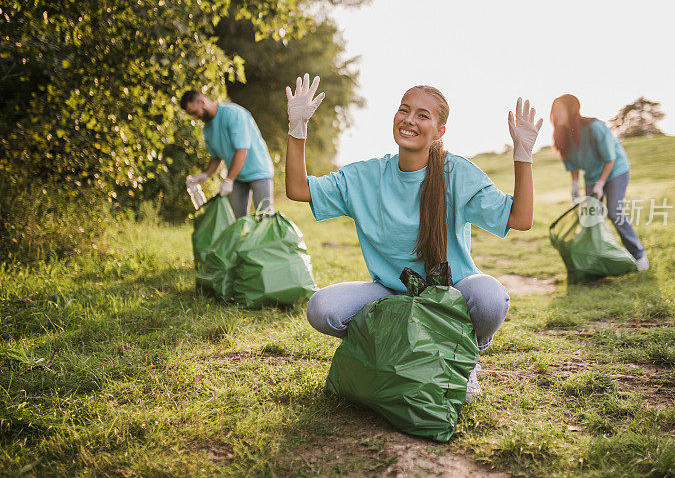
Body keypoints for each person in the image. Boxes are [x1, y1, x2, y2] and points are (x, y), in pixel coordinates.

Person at [284, 73, 543, 400]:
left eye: (423, 115)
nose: (409, 120)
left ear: (439, 132)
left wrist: (523, 154)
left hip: (451, 293)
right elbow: (297, 189)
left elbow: (520, 219)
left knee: (491, 297)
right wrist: (297, 129)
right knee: (322, 307)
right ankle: (392, 351)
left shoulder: (456, 173)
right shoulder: (367, 176)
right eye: (403, 110)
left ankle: (463, 358)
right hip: (392, 294)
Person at [550, 94, 649, 271]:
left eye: (560, 109)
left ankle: (639, 255)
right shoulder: (562, 136)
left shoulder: (594, 127)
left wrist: (601, 183)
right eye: (554, 110)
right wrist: (574, 184)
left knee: (614, 211)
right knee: (591, 217)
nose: (555, 114)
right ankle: (597, 259)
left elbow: (610, 158)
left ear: (572, 110)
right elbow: (572, 163)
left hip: (615, 170)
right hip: (592, 176)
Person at [181, 90, 274, 218]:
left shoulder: (233, 114)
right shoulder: (207, 129)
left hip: (258, 172)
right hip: (237, 177)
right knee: (237, 220)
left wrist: (229, 180)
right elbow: (216, 157)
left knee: (265, 217)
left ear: (202, 102)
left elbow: (242, 150)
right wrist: (205, 175)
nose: (195, 118)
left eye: (195, 113)